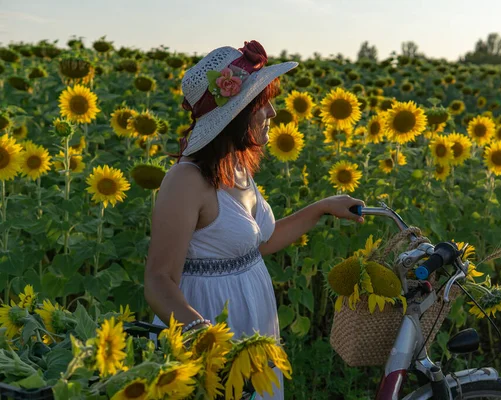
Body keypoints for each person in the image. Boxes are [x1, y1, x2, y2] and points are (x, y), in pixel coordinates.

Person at [144, 40, 365, 399]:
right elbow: (158, 279)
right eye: (263, 105)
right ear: (237, 114)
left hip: (252, 320)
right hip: (208, 322)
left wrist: (322, 207)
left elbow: (257, 245)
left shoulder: (235, 167)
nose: (274, 113)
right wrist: (204, 334)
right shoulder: (186, 181)